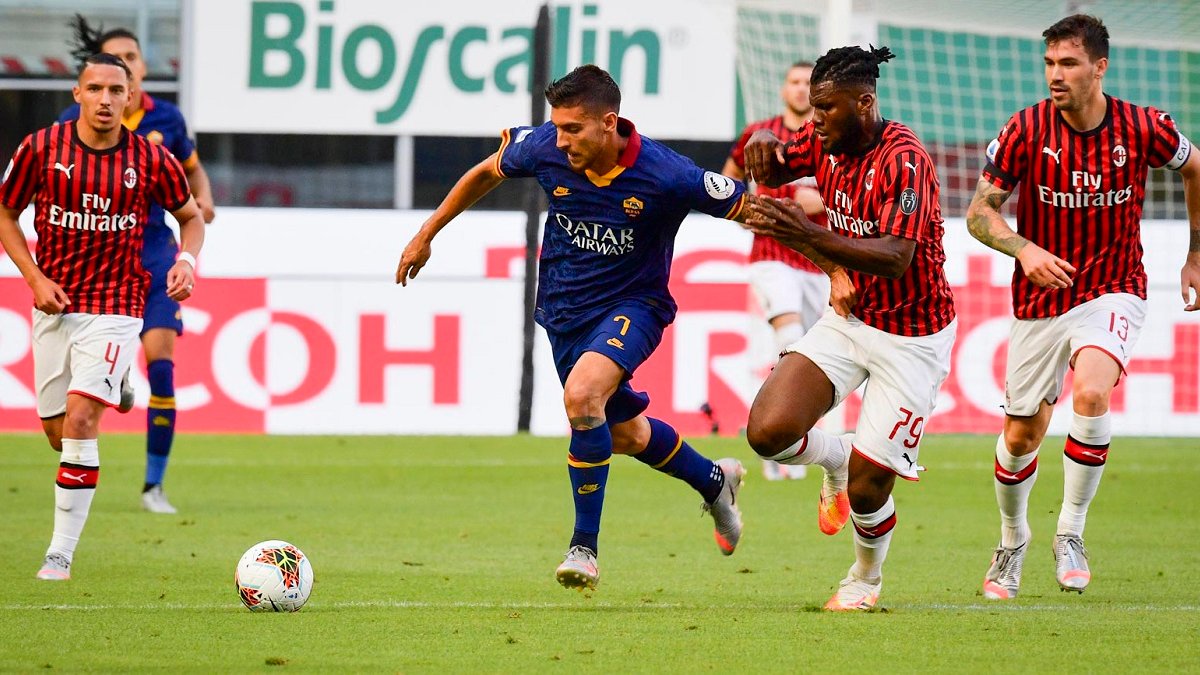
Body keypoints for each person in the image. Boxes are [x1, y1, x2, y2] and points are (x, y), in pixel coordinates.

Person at [398, 65, 792, 591]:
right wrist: (426, 234)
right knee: (624, 433)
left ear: (609, 123)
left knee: (584, 397)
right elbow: (486, 172)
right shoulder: (546, 146)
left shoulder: (666, 174)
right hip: (564, 310)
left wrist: (835, 267)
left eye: (572, 129)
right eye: (556, 128)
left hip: (636, 305)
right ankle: (714, 481)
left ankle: (583, 548)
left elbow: (753, 210)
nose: (560, 140)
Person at [966, 14, 1200, 600]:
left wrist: (1195, 254)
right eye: (1049, 63)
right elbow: (978, 213)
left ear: (1099, 67)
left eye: (1068, 63)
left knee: (1092, 393)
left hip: (1113, 286)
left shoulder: (1144, 127)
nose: (1055, 74)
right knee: (1022, 436)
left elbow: (1196, 167)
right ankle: (1012, 539)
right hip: (1041, 298)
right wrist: (1023, 250)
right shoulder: (1023, 130)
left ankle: (1070, 532)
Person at [740, 45, 957, 610]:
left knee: (867, 487)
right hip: (849, 320)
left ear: (864, 103)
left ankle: (864, 578)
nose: (814, 119)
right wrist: (760, 145)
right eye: (813, 107)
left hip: (913, 337)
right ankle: (835, 457)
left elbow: (894, 256)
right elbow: (772, 164)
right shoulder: (823, 139)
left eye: (826, 108)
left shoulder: (905, 160)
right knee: (767, 433)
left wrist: (809, 237)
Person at [0, 53, 205, 580]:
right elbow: (5, 211)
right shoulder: (41, 148)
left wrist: (186, 261)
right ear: (78, 94)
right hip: (55, 303)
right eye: (95, 89)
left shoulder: (151, 159)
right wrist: (35, 279)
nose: (106, 99)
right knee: (58, 434)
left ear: (130, 96)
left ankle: (59, 555)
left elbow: (191, 217)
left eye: (117, 90)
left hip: (117, 305)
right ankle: (120, 380)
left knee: (82, 421)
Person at [59, 16, 217, 515]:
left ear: (141, 70)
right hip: (97, 261)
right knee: (70, 408)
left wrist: (203, 201)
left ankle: (154, 486)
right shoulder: (73, 122)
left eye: (131, 58)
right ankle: (117, 368)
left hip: (154, 252)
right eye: (115, 58)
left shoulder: (166, 119)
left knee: (163, 367)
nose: (124, 65)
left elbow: (193, 171)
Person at [722, 60, 828, 482]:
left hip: (820, 260)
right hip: (772, 254)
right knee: (791, 340)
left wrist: (825, 201)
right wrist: (741, 212)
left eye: (808, 83)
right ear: (784, 89)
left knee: (810, 358)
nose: (801, 89)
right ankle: (777, 442)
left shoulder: (829, 136)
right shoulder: (759, 133)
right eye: (795, 82)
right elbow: (728, 177)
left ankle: (781, 435)